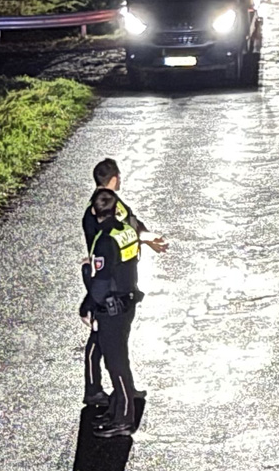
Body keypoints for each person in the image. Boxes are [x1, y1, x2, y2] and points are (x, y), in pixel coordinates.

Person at [80, 159, 165, 408]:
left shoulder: (105, 203)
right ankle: (95, 388)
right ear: (114, 178)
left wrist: (146, 238)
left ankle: (122, 387)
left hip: (115, 278)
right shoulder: (103, 207)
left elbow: (132, 223)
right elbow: (121, 230)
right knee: (100, 336)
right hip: (107, 280)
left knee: (113, 337)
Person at [86, 188, 145, 438]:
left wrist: (87, 305)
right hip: (127, 300)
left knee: (115, 363)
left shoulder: (103, 239)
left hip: (112, 307)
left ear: (93, 211)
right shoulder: (126, 231)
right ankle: (119, 408)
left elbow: (101, 281)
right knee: (120, 358)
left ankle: (123, 418)